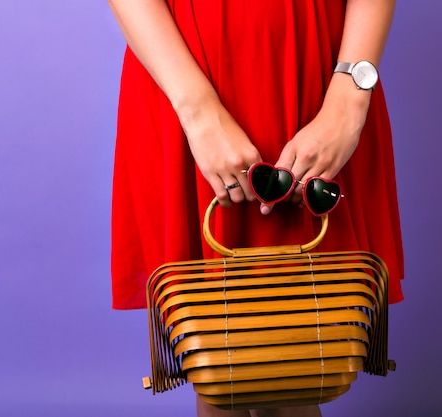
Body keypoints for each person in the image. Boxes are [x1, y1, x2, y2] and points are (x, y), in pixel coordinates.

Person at [107, 0, 404, 416]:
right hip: (183, 72)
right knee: (218, 365)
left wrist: (349, 99)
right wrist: (198, 113)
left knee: (291, 368)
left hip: (315, 78)